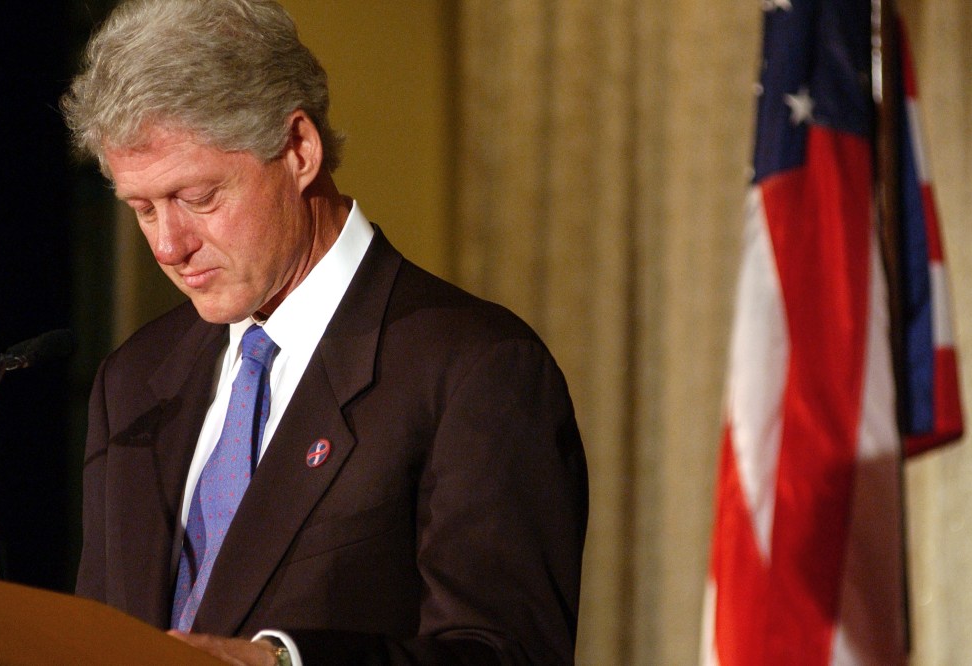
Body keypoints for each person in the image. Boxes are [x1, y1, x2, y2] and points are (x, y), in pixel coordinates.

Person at [62, 0, 588, 664]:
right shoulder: (134, 380)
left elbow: (507, 653)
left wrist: (284, 662)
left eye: (197, 199)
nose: (168, 246)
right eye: (142, 208)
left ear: (300, 150)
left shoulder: (475, 370)